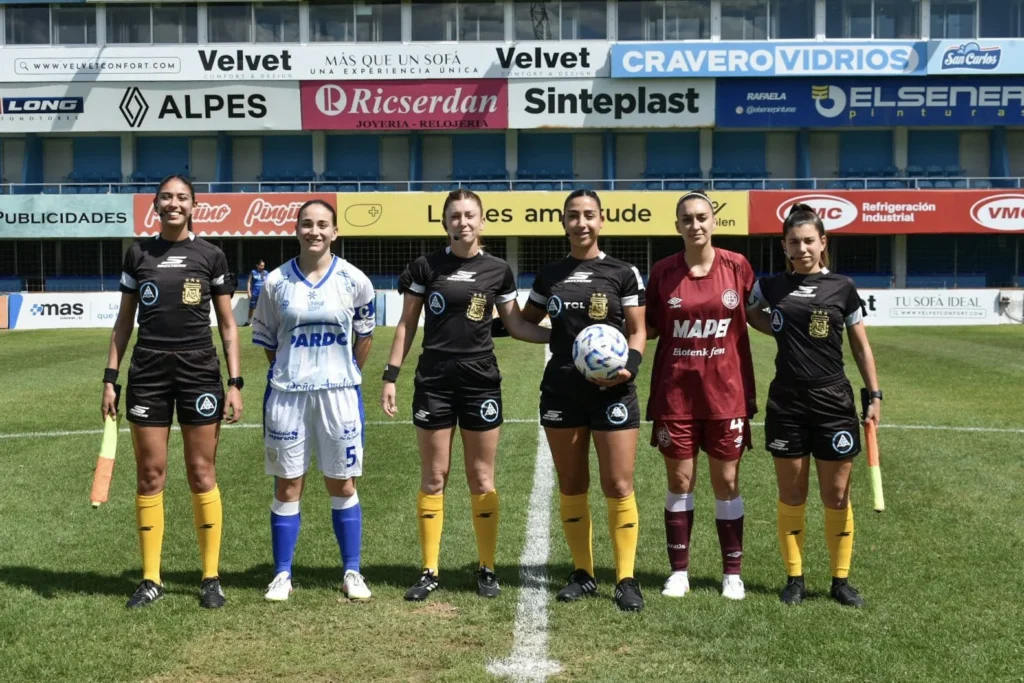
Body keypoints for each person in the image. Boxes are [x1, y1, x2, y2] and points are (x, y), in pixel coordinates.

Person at [381, 189, 549, 602]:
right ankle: (429, 570)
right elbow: (406, 324)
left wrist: (563, 337)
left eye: (470, 215)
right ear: (445, 223)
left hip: (480, 381)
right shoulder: (425, 266)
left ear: (482, 221)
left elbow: (516, 326)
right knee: (434, 476)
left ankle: (487, 567)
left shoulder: (498, 270)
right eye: (455, 216)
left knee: (482, 477)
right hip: (434, 381)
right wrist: (390, 376)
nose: (463, 222)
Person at [102, 174, 242, 609]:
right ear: (156, 205)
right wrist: (110, 378)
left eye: (182, 197)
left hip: (199, 370)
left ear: (194, 205)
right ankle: (151, 579)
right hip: (148, 371)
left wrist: (235, 383)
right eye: (166, 197)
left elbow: (228, 326)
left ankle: (211, 577)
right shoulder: (138, 253)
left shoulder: (211, 255)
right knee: (150, 474)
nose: (174, 203)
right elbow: (124, 322)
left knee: (202, 472)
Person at [747, 203, 882, 608]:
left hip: (832, 400)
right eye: (794, 242)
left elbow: (861, 346)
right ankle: (795, 579)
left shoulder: (843, 286)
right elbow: (751, 312)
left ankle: (840, 581)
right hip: (787, 401)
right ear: (784, 246)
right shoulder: (770, 286)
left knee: (837, 495)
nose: (802, 248)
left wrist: (874, 394)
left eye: (809, 241)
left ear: (823, 242)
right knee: (792, 495)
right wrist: (776, 327)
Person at [519, 189, 648, 612]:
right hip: (562, 390)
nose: (581, 223)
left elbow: (638, 330)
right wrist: (563, 342)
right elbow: (525, 322)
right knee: (573, 484)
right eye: (573, 216)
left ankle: (626, 579)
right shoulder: (550, 275)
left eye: (589, 215)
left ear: (601, 220)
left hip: (614, 391)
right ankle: (583, 573)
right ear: (564, 223)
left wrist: (629, 366)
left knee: (618, 484)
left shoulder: (622, 272)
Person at [252, 200, 375, 602]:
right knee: (288, 484)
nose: (315, 231)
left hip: (339, 395)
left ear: (335, 232)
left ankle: (352, 571)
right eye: (307, 224)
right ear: (297, 230)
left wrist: (342, 371)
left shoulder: (355, 280)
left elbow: (364, 336)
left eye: (323, 225)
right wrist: (295, 370)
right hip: (288, 395)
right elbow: (269, 342)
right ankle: (282, 574)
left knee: (342, 482)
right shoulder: (276, 282)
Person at [644, 190, 758, 601]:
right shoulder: (663, 272)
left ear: (714, 221)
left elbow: (758, 314)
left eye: (702, 217)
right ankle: (679, 572)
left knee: (727, 481)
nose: (695, 224)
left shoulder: (737, 266)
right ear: (677, 225)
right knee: (680, 481)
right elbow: (648, 327)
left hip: (727, 394)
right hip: (676, 394)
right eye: (687, 218)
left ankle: (732, 573)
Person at [245, 259, 267, 327]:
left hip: (263, 294)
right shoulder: (253, 272)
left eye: (263, 266)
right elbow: (249, 282)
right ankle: (249, 321)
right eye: (261, 265)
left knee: (263, 308)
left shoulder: (266, 272)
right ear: (257, 265)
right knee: (252, 308)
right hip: (254, 293)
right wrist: (248, 292)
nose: (262, 267)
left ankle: (262, 323)